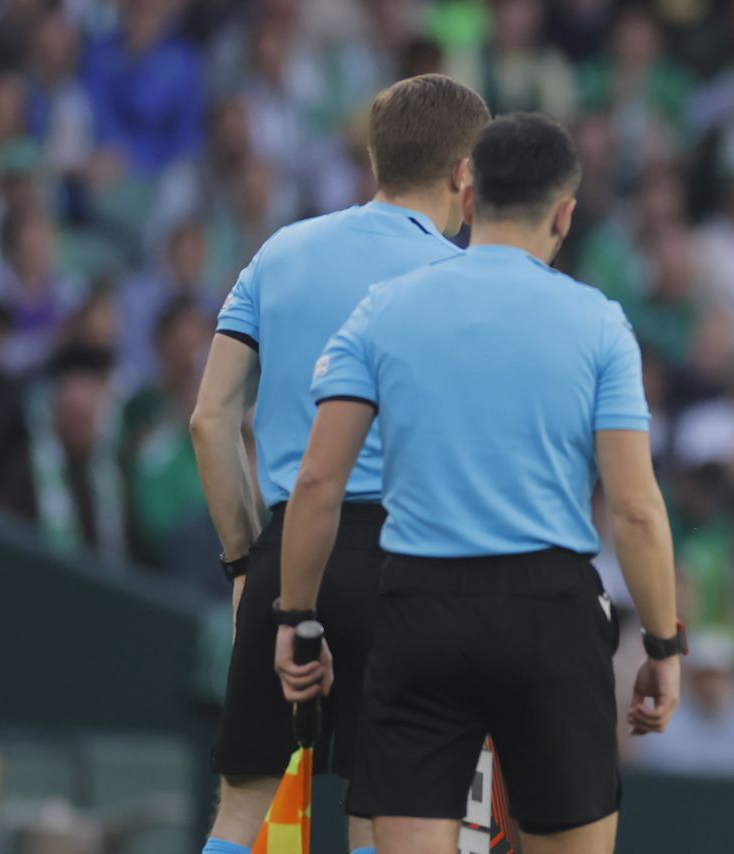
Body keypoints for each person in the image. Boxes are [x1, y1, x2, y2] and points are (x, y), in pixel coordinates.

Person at [273, 113, 682, 854]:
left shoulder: (383, 309)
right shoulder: (599, 323)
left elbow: (317, 481)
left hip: (420, 610)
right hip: (550, 614)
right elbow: (636, 510)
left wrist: (296, 620)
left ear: (468, 199)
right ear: (564, 213)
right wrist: (663, 642)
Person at [188, 74, 490, 854]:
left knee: (243, 807)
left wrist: (243, 563)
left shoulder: (279, 252)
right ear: (466, 172)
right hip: (409, 565)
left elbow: (210, 420)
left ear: (374, 154)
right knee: (381, 814)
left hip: (291, 548)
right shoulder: (463, 280)